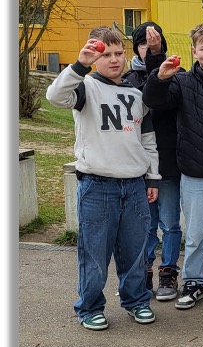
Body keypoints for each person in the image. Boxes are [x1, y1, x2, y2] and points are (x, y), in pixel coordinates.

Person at [46, 27, 160, 331]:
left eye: (119, 53)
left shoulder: (137, 93)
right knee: (94, 253)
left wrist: (153, 177)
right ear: (95, 58)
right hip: (97, 186)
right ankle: (90, 307)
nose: (114, 59)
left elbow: (147, 140)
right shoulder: (85, 87)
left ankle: (136, 301)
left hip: (134, 186)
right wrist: (80, 64)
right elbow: (54, 96)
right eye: (106, 54)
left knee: (135, 252)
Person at [142, 23, 203, 310]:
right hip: (194, 174)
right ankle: (194, 282)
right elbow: (153, 100)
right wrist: (159, 76)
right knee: (196, 236)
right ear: (194, 51)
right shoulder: (182, 82)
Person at [122, 22, 182, 301]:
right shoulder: (127, 80)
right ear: (136, 48)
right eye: (143, 43)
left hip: (168, 162)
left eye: (154, 42)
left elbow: (165, 103)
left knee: (169, 223)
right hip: (139, 165)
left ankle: (168, 271)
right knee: (146, 224)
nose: (148, 47)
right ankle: (144, 269)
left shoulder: (177, 75)